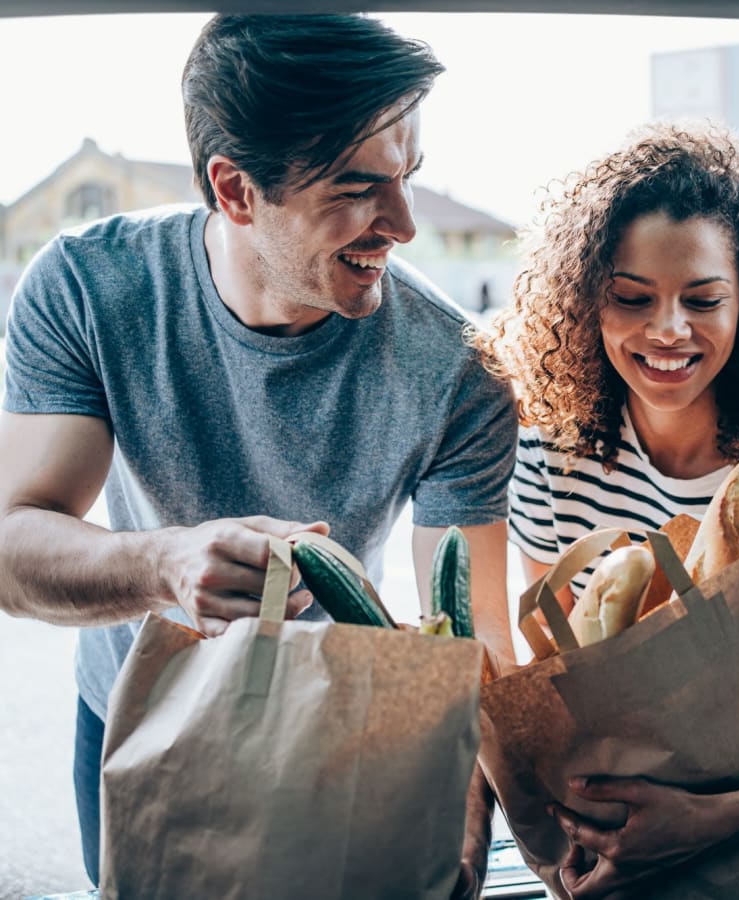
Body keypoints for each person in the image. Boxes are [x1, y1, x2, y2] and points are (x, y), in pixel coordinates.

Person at [0, 14, 518, 896]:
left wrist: (461, 819)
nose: (401, 223)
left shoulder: (461, 375)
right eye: (357, 189)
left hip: (334, 725)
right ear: (235, 190)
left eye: (408, 178)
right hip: (133, 708)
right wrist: (165, 564)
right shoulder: (87, 286)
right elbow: (12, 547)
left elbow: (464, 644)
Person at [475, 121, 739, 897]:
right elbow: (560, 681)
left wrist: (727, 814)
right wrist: (574, 836)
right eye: (632, 298)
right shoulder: (551, 457)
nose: (667, 329)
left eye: (702, 299)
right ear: (584, 305)